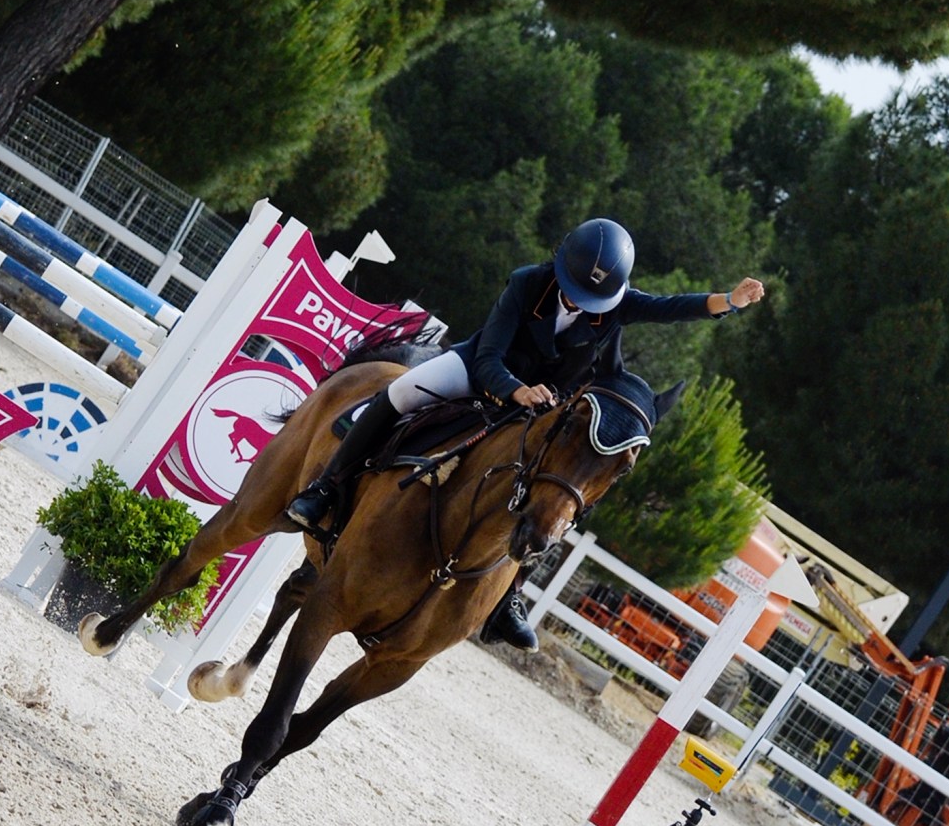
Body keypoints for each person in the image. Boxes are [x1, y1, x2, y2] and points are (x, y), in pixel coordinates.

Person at [287, 218, 764, 648]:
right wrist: (515, 390)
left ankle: (509, 594)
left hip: (545, 408)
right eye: (576, 292)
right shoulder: (526, 283)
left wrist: (730, 301)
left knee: (558, 491)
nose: (580, 303)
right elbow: (488, 356)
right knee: (400, 392)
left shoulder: (616, 305)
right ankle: (325, 488)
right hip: (482, 374)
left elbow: (670, 307)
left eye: (592, 299)